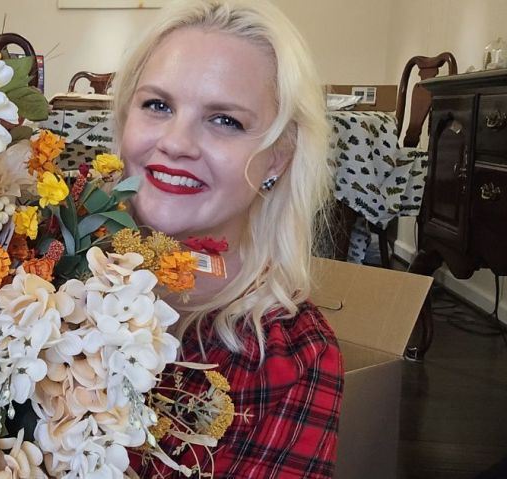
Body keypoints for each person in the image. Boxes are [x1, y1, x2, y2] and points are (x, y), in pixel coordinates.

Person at [113, 0, 343, 477]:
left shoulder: (292, 359)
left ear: (278, 157)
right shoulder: (37, 267)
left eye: (225, 120)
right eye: (158, 105)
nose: (176, 142)